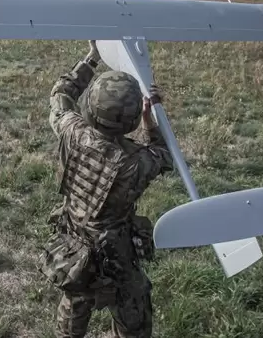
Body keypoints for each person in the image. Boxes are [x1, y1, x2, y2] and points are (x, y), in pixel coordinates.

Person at [39, 40, 174, 338]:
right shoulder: (136, 162)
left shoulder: (72, 132)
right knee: (133, 311)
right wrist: (150, 120)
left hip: (72, 244)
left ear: (91, 106)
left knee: (75, 301)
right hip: (116, 254)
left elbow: (61, 94)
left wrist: (91, 58)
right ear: (130, 119)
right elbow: (166, 155)